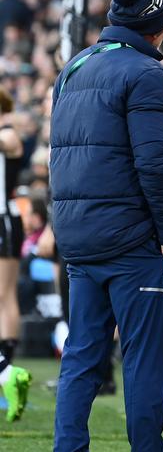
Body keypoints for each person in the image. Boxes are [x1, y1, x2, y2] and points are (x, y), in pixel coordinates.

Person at [50, 0, 163, 451]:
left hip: (78, 236)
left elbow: (59, 156)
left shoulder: (73, 66)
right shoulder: (146, 73)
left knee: (81, 357)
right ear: (158, 30)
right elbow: (155, 161)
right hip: (131, 240)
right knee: (144, 360)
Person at [0, 86, 31, 422]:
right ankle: (5, 370)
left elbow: (11, 144)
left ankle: (7, 360)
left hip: (3, 219)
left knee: (4, 293)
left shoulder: (7, 131)